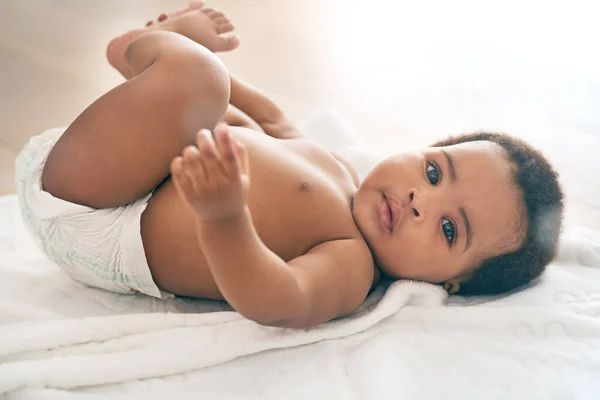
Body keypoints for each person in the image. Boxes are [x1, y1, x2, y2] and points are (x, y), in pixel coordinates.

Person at [15, 1, 564, 329]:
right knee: (222, 104)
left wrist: (225, 216)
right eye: (434, 172)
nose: (423, 201)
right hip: (125, 173)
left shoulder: (349, 264)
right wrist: (224, 81)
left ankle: (148, 51)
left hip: (93, 219)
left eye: (449, 229)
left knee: (201, 85)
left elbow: (276, 299)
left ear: (455, 283)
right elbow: (274, 121)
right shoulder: (341, 171)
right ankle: (164, 68)